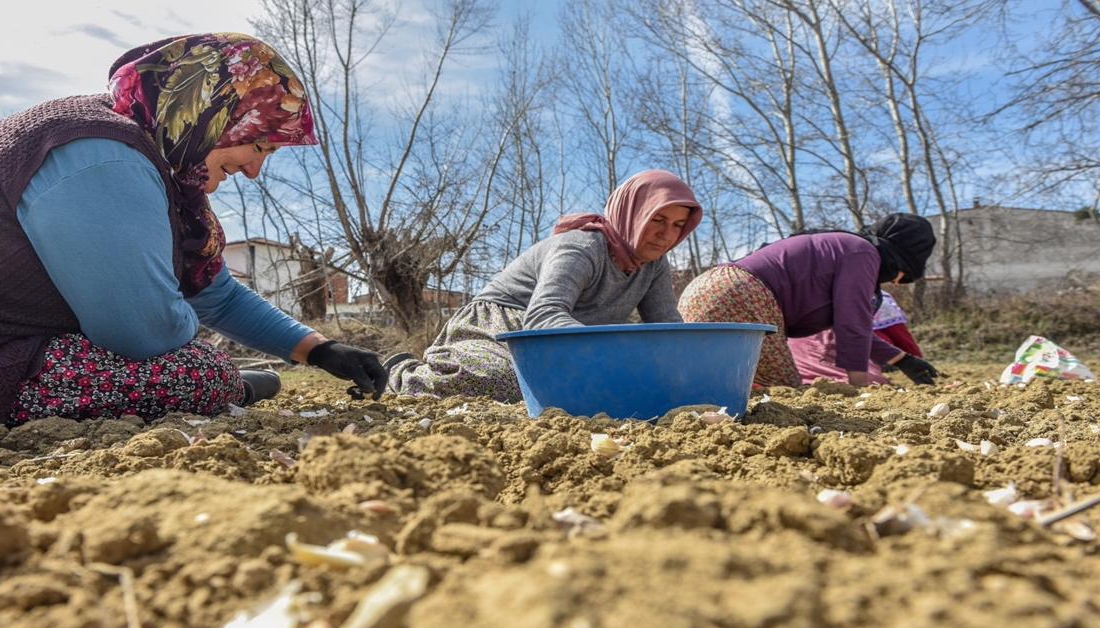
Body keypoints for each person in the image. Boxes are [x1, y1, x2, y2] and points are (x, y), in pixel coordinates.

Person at [0, 33, 387, 442]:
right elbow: (140, 329)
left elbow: (209, 291)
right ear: (214, 114)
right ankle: (229, 386)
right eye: (258, 145)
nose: (256, 170)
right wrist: (180, 329)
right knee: (195, 371)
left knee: (192, 362)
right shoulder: (103, 158)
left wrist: (319, 350)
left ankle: (229, 382)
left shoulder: (157, 168)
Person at [387, 169, 701, 401]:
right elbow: (544, 316)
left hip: (567, 345)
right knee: (509, 382)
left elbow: (667, 327)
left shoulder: (654, 264)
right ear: (633, 214)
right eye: (657, 220)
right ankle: (403, 372)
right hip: (503, 327)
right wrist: (610, 356)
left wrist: (693, 365)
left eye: (677, 225)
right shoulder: (581, 249)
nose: (667, 236)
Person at [678, 214, 941, 388]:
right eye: (900, 277)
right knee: (785, 390)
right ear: (901, 260)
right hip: (740, 296)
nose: (895, 282)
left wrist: (902, 359)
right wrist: (860, 388)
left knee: (721, 382)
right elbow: (853, 324)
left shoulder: (843, 247)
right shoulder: (863, 252)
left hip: (705, 290)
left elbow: (847, 328)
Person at [787, 290, 923, 385]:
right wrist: (914, 360)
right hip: (863, 364)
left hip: (796, 372)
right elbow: (903, 338)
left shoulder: (806, 301)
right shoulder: (881, 301)